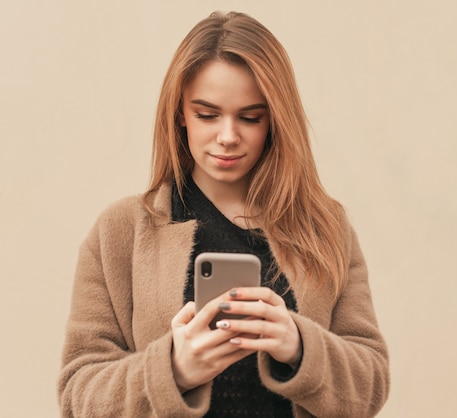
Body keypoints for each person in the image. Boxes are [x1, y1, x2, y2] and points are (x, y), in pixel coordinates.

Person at [58, 11, 390, 418]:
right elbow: (78, 393)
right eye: (207, 114)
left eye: (251, 117)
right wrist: (174, 370)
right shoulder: (122, 231)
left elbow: (371, 382)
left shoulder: (325, 227)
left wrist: (299, 346)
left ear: (274, 120)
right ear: (179, 112)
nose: (228, 136)